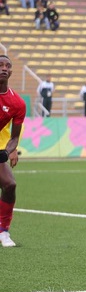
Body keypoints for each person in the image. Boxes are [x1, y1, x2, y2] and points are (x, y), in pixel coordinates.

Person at [0, 55, 25, 247]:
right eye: (0, 65)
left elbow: (14, 137)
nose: (4, 68)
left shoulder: (17, 103)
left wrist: (8, 151)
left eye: (8, 66)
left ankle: (3, 232)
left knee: (10, 185)